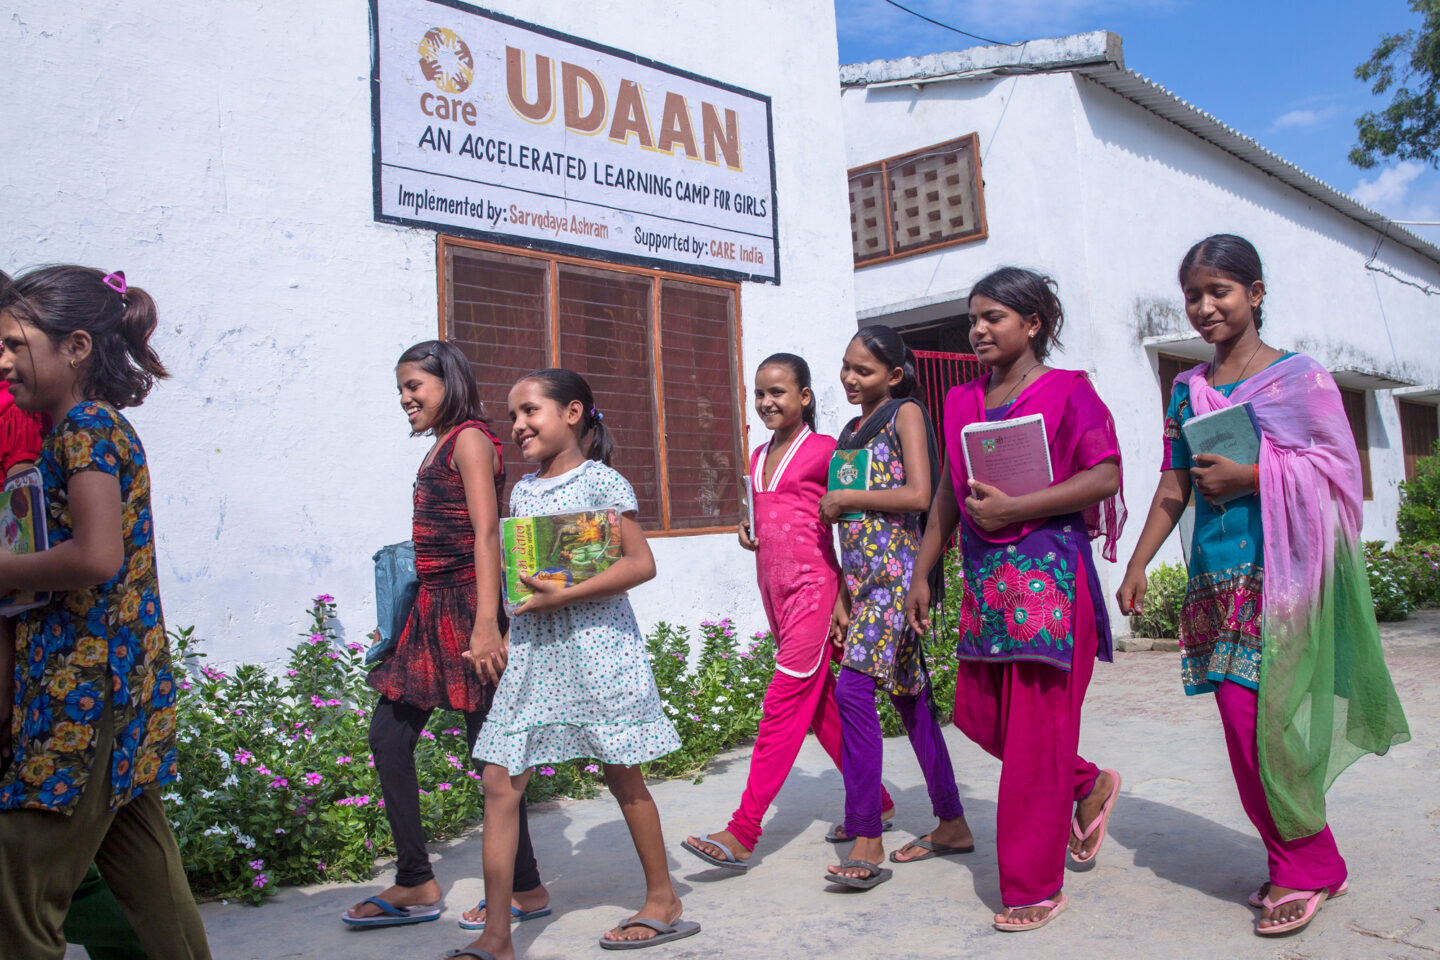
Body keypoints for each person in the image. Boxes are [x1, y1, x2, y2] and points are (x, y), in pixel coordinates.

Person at [1117, 235, 1409, 936]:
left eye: (1220, 290)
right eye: (1194, 294)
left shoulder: (1299, 378)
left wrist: (1253, 477)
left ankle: (1304, 864)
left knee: (1264, 725)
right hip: (1218, 577)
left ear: (1255, 292)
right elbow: (1175, 480)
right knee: (1240, 725)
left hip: (1287, 579)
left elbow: (1341, 476)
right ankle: (1308, 860)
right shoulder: (1188, 388)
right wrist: (1136, 563)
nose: (1205, 306)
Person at [0, 265, 211, 959]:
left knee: (19, 888)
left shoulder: (84, 429)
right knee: (149, 882)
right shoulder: (78, 430)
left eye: (13, 344)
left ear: (77, 346)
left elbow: (95, 557)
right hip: (111, 691)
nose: (2, 361)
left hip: (85, 696)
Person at [905, 267, 1125, 932]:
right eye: (973, 318)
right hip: (986, 584)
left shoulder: (1068, 392)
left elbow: (1106, 473)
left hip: (1051, 586)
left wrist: (1020, 508)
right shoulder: (962, 401)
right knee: (977, 714)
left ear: (1032, 324)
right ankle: (1085, 783)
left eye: (993, 316)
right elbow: (948, 488)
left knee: (1035, 734)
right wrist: (923, 569)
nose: (977, 330)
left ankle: (1033, 885)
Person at [452, 368, 697, 960]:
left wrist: (562, 593)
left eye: (530, 411)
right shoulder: (524, 493)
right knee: (498, 780)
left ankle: (663, 898)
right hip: (537, 651)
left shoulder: (602, 482)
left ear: (574, 413)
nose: (517, 426)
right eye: (511, 416)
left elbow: (640, 564)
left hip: (597, 647)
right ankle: (497, 938)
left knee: (621, 773)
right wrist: (504, 618)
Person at [345, 341, 547, 931]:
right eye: (401, 390)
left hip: (468, 610)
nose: (406, 399)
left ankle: (527, 888)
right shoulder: (445, 441)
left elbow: (489, 533)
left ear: (448, 382)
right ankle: (416, 881)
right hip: (430, 612)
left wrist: (488, 623)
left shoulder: (469, 439)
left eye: (415, 387)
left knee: (493, 755)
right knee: (389, 736)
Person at [680, 354, 896, 871]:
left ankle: (743, 830)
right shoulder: (756, 456)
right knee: (820, 707)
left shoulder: (828, 450)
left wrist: (845, 592)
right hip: (774, 596)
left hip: (814, 593)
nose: (766, 402)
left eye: (777, 392)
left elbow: (855, 520)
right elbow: (769, 514)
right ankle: (878, 801)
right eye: (759, 394)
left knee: (781, 703)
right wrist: (745, 524)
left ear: (803, 397)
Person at [819, 326, 971, 892]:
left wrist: (847, 497)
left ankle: (866, 834)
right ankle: (951, 821)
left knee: (852, 692)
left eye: (863, 370)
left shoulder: (904, 413)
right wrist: (841, 592)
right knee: (913, 703)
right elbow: (849, 527)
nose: (850, 378)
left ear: (894, 374)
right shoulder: (848, 432)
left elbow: (918, 493)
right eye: (846, 367)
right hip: (864, 585)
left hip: (900, 579)